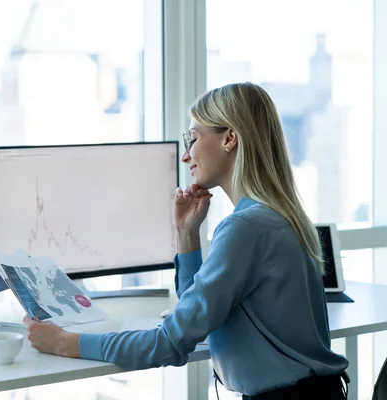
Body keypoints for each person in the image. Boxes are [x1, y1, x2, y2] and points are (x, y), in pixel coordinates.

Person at [23, 82, 349, 399]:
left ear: (230, 138)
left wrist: (67, 342)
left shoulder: (246, 227)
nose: (185, 156)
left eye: (192, 139)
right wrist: (186, 234)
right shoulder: (280, 214)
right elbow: (196, 312)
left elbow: (170, 342)